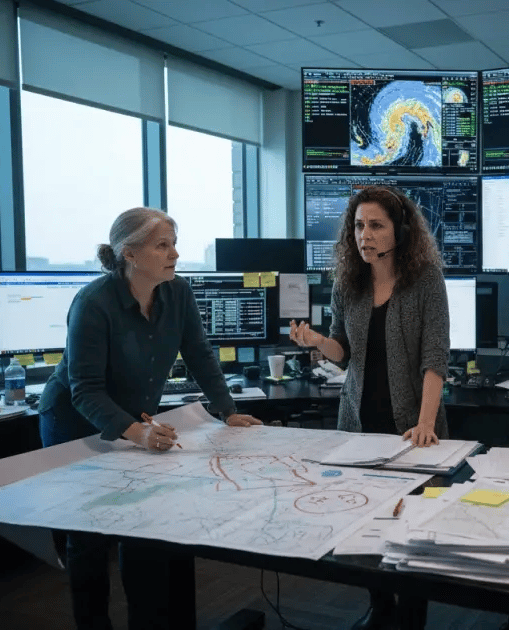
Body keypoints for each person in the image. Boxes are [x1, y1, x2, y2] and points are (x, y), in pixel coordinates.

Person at [39, 207, 262, 630]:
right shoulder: (93, 303)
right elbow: (85, 389)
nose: (174, 254)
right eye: (163, 245)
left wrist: (228, 411)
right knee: (88, 533)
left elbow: (199, 354)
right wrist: (138, 433)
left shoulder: (178, 292)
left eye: (174, 244)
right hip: (74, 418)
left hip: (131, 416)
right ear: (129, 253)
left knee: (142, 518)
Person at [289, 185, 449, 630]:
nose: (365, 235)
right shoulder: (349, 282)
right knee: (365, 523)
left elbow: (435, 358)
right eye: (359, 226)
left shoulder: (426, 281)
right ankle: (380, 608)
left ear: (400, 231)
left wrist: (425, 423)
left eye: (376, 225)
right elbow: (343, 352)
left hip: (412, 426)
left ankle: (411, 616)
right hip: (358, 423)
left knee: (413, 528)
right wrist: (318, 341)